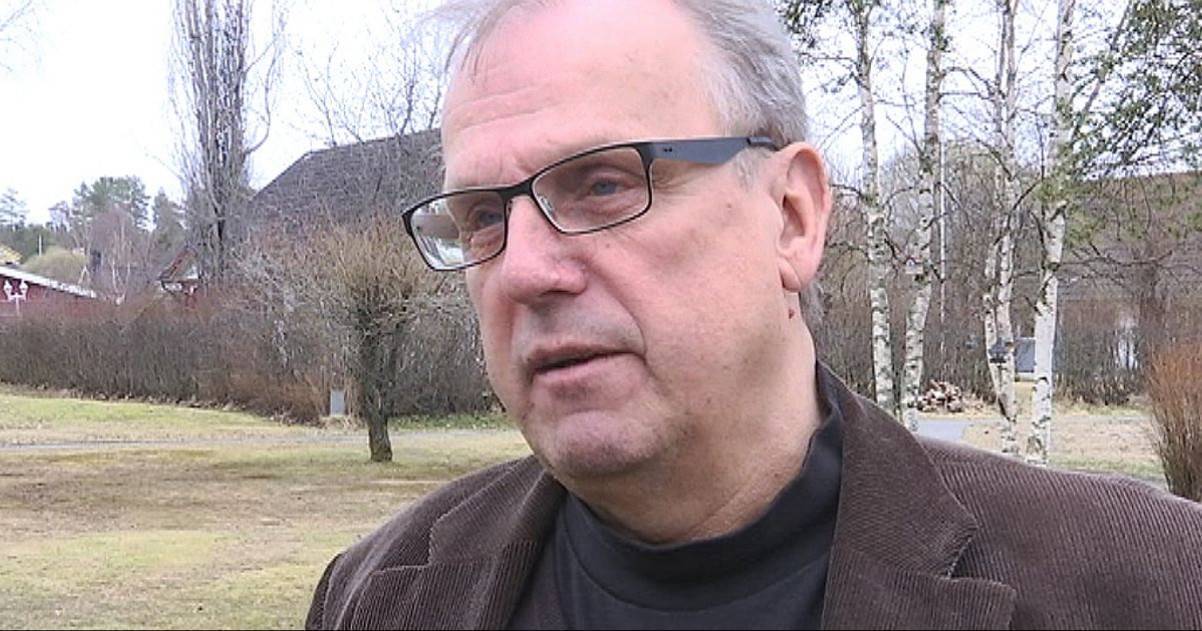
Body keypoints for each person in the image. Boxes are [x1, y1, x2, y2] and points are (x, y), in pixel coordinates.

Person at [305, 0, 1202, 628]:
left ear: (792, 218)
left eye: (605, 183)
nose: (524, 270)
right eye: (482, 217)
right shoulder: (377, 595)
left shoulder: (1151, 586)